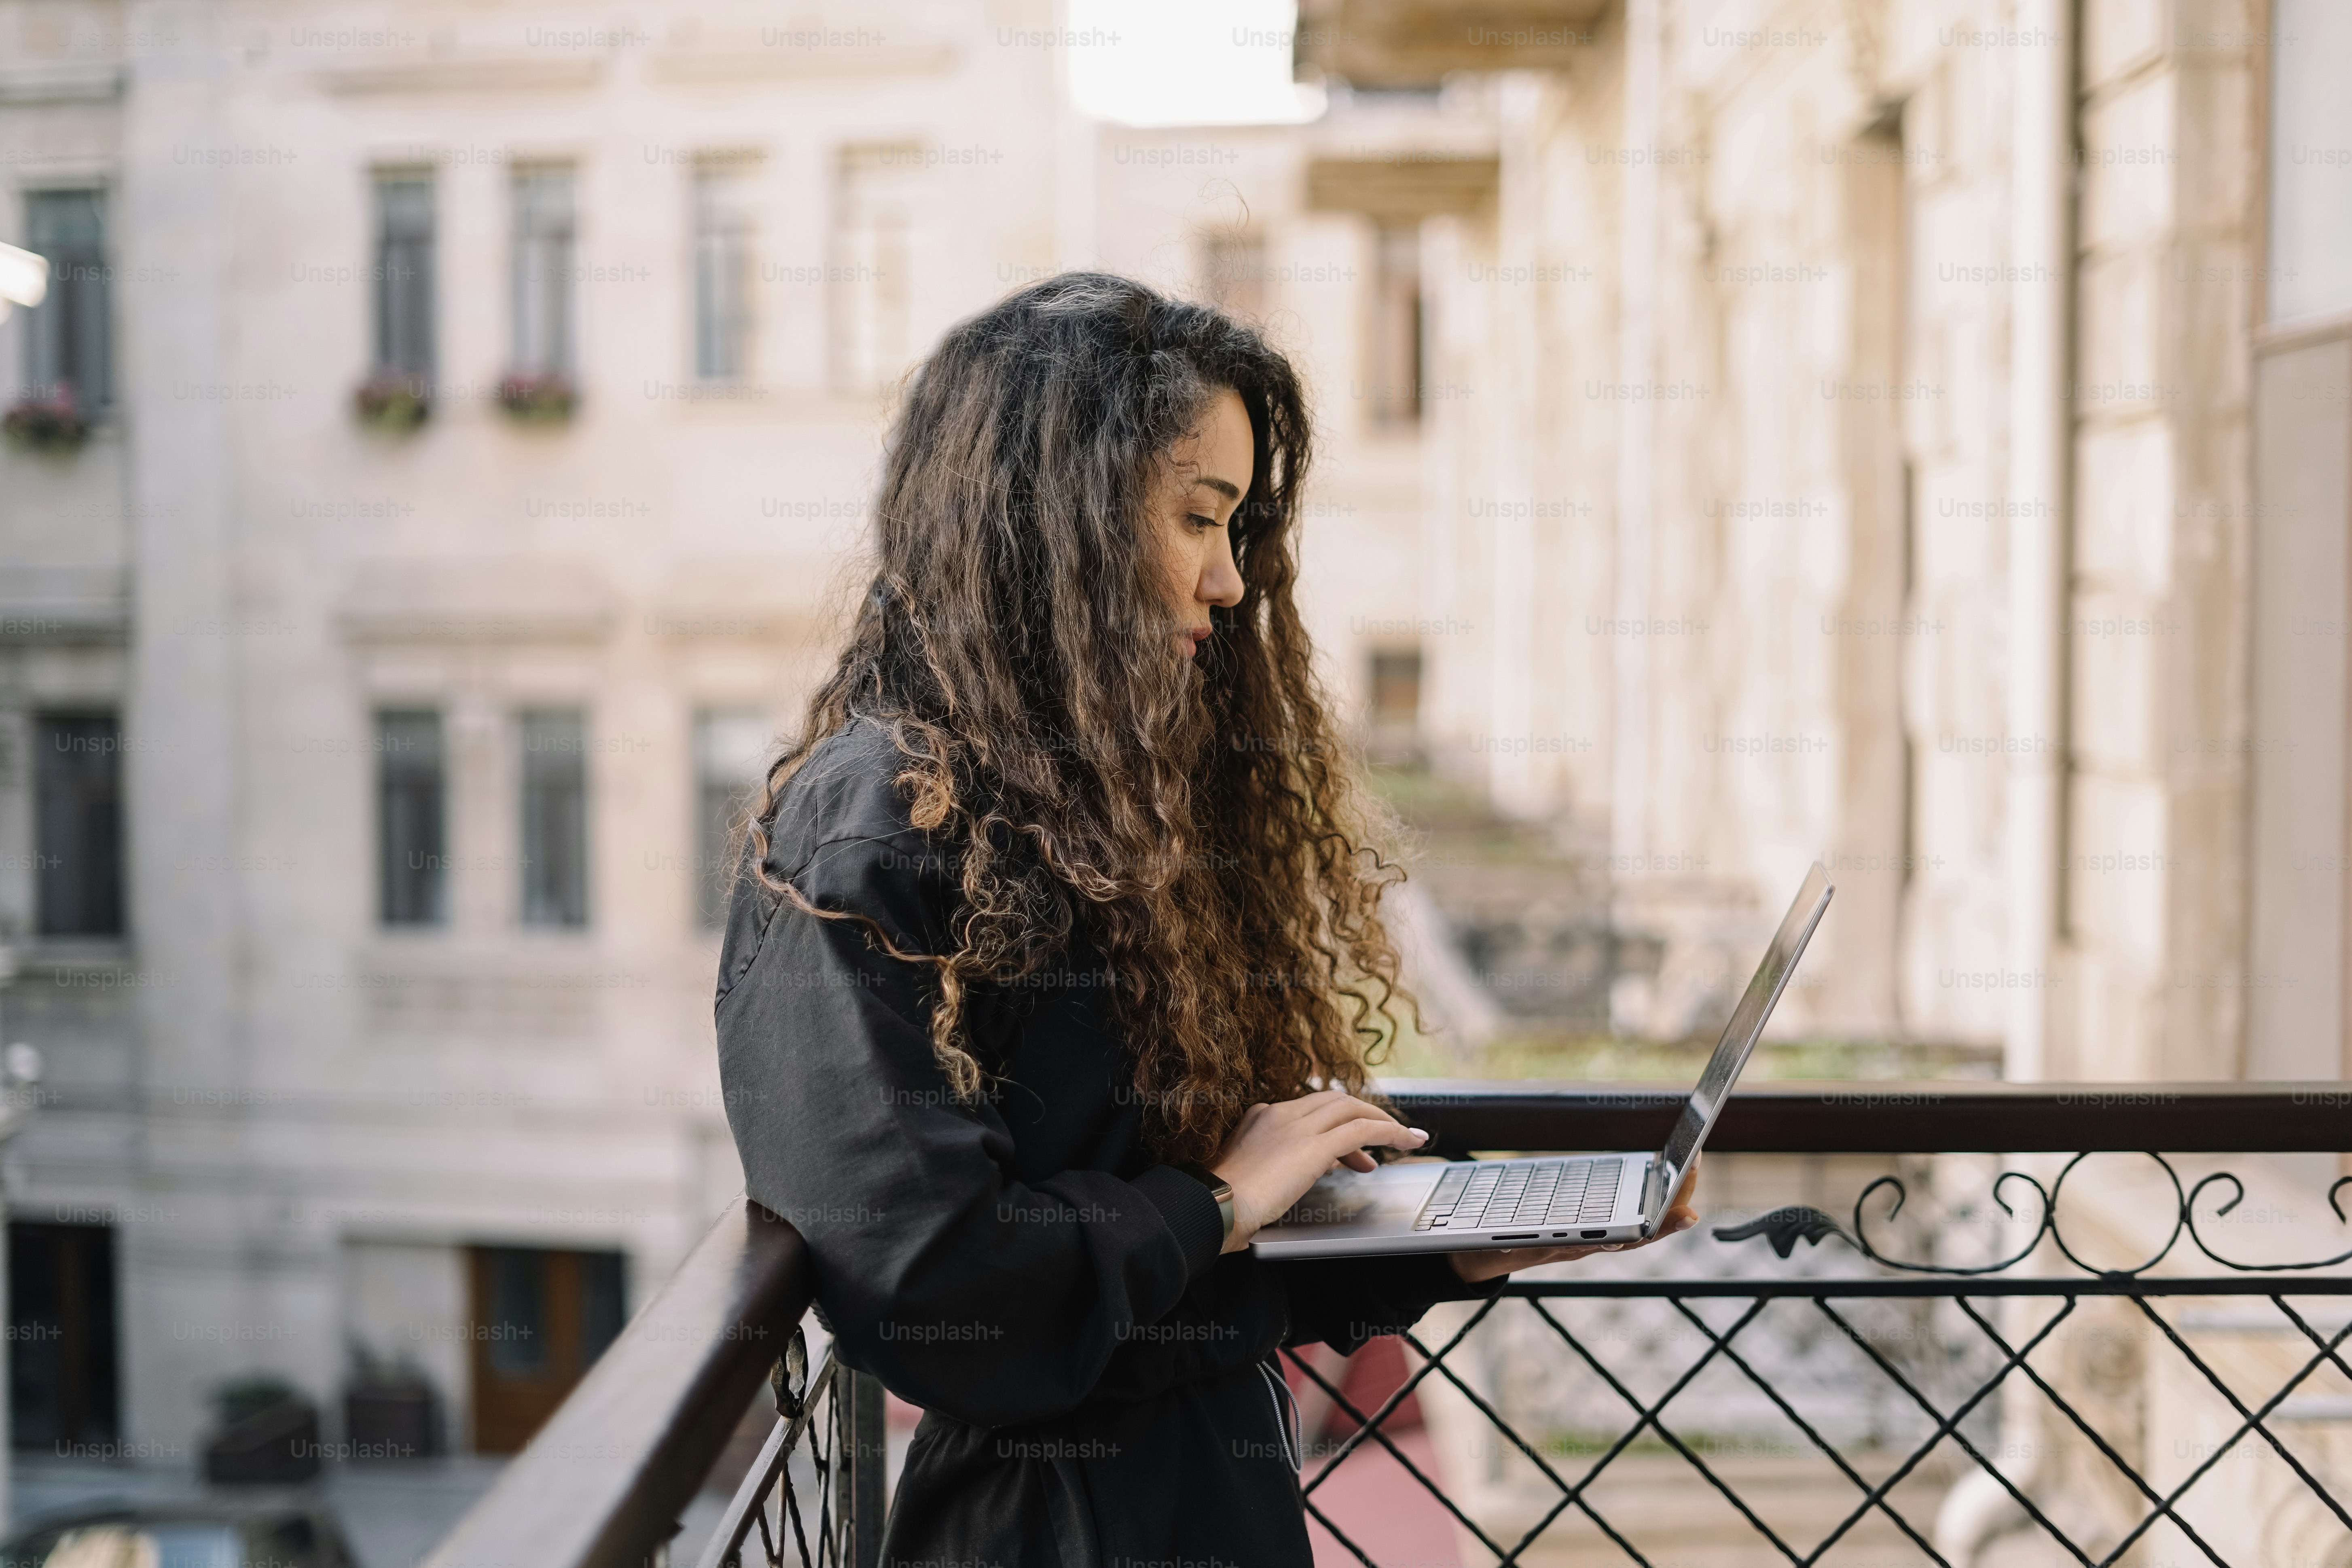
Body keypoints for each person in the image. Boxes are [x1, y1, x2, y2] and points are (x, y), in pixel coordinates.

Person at [714, 273, 1700, 1564]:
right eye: (1197, 518)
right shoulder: (870, 829)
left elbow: (1168, 1273)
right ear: (1051, 518)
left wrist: (1459, 1245)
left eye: (1238, 528)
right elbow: (944, 1287)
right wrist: (1224, 1196)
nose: (1232, 583)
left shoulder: (1084, 807)